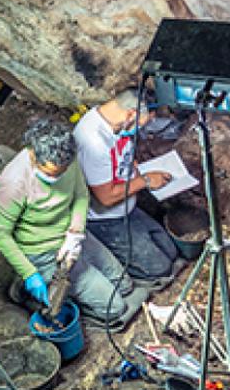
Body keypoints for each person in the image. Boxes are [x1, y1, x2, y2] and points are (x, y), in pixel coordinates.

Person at [0, 118, 136, 326]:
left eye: (62, 171)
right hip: (42, 251)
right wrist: (30, 273)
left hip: (71, 237)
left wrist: (75, 234)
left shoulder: (66, 156)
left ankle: (63, 283)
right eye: (51, 174)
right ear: (34, 157)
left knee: (124, 285)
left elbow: (81, 195)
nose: (57, 177)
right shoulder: (14, 182)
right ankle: (29, 287)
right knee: (115, 308)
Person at [73, 87, 182, 289]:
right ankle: (107, 254)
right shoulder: (93, 142)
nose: (141, 129)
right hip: (105, 218)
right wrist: (146, 181)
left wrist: (139, 169)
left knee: (171, 251)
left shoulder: (117, 120)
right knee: (160, 268)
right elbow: (105, 198)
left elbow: (125, 154)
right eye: (144, 122)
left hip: (128, 206)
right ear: (132, 113)